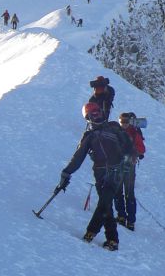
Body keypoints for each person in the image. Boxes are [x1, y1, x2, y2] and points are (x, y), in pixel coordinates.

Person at [56, 102, 135, 251]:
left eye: (97, 112)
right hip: (102, 174)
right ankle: (110, 239)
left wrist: (126, 160)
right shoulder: (91, 135)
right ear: (88, 118)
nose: (96, 116)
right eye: (92, 115)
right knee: (106, 205)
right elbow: (78, 157)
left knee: (104, 202)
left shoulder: (112, 128)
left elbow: (129, 147)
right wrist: (66, 173)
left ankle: (93, 233)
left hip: (114, 173)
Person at [114, 112, 146, 230]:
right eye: (122, 122)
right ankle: (125, 218)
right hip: (123, 165)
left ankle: (127, 219)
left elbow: (142, 148)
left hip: (126, 165)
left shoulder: (133, 132)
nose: (124, 124)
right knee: (121, 192)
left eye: (126, 122)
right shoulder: (129, 132)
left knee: (126, 192)